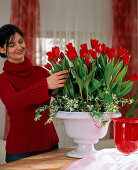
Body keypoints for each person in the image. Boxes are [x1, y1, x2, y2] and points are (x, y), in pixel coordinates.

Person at [0, 24, 68, 163]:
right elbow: (13, 102)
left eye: (20, 41)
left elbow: (64, 98)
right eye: (11, 45)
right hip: (19, 152)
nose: (19, 47)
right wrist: (45, 85)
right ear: (1, 49)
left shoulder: (41, 73)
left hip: (50, 146)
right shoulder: (3, 79)